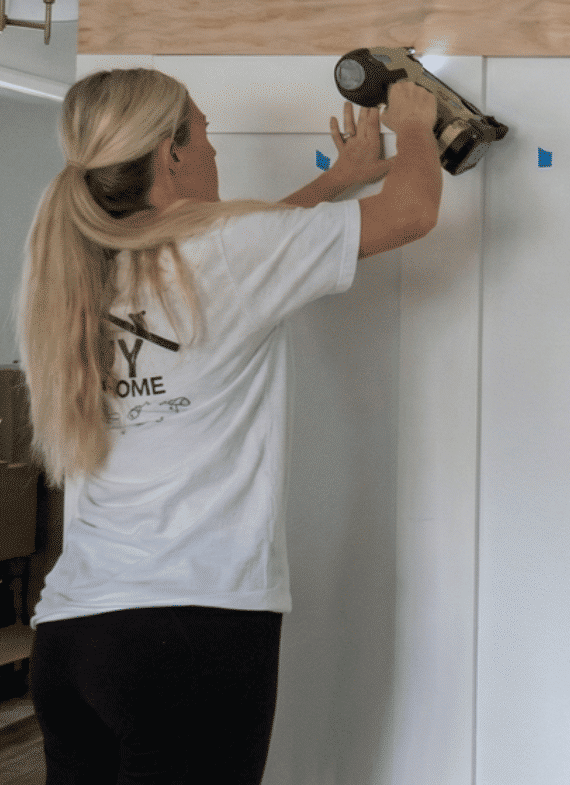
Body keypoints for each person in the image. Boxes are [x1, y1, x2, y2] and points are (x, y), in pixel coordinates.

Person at [10, 67, 443, 784]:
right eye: (205, 133)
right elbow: (412, 213)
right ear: (170, 154)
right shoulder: (224, 257)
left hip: (72, 640)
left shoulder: (76, 272)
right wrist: (418, 127)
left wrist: (335, 182)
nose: (215, 151)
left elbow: (238, 259)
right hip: (190, 634)